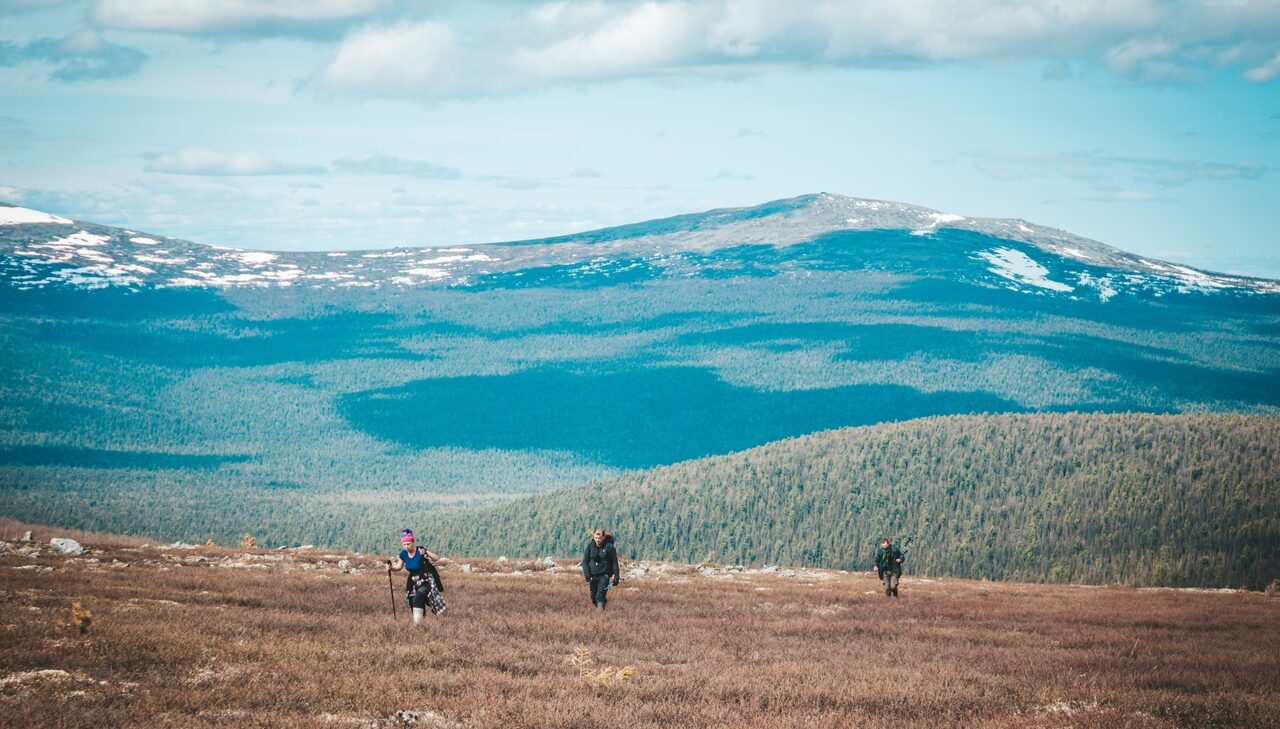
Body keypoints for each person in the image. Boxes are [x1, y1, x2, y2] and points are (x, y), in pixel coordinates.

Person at [387, 529, 446, 623]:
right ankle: (421, 621)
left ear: (413, 542)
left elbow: (435, 558)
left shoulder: (420, 550)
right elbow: (398, 567)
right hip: (412, 581)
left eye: (408, 544)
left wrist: (426, 552)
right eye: (404, 544)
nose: (406, 546)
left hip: (426, 579)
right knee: (412, 601)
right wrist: (391, 568)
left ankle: (417, 624)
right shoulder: (403, 554)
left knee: (418, 598)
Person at [581, 528, 620, 611]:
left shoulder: (610, 547)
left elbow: (614, 563)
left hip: (604, 576)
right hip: (592, 576)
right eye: (596, 538)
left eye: (599, 538)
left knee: (600, 595)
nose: (598, 540)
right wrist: (587, 575)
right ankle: (602, 607)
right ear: (593, 537)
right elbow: (585, 562)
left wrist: (616, 577)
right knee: (593, 597)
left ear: (604, 537)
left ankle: (599, 616)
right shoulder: (590, 546)